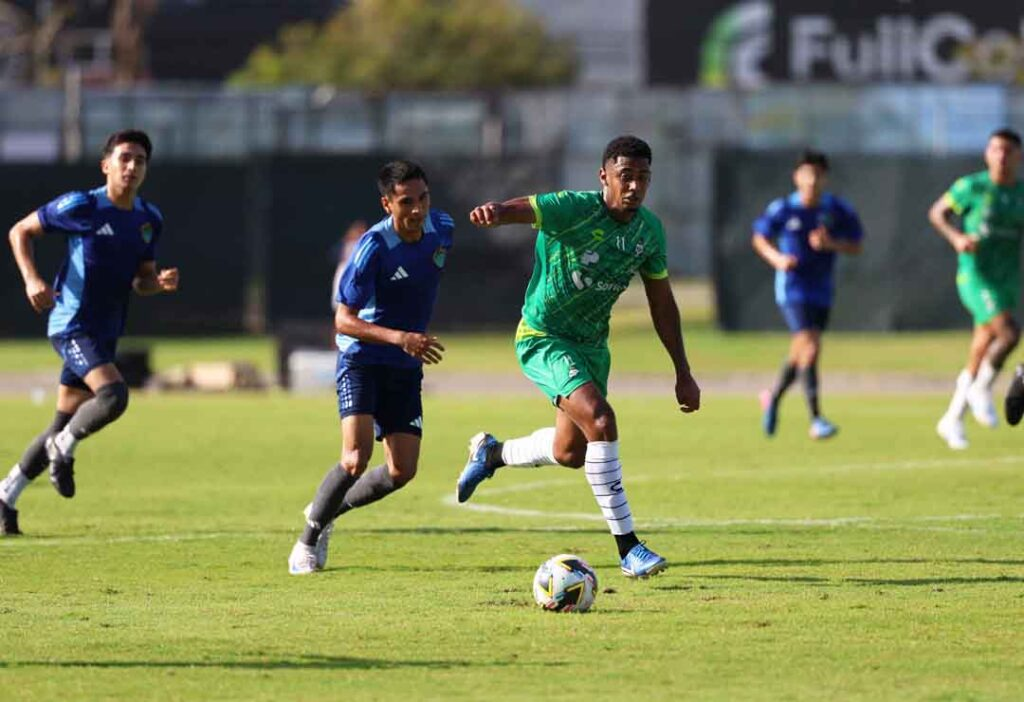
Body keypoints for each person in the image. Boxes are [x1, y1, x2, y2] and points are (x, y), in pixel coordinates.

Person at [455, 135, 700, 579]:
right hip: (544, 337)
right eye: (625, 176)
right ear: (604, 176)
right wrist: (497, 212)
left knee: (571, 451)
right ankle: (629, 548)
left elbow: (662, 303)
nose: (634, 186)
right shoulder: (574, 208)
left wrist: (682, 371)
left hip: (591, 347)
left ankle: (493, 454)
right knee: (602, 420)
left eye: (643, 177)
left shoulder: (648, 231)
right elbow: (527, 207)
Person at [0, 129, 179, 536]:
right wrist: (32, 280)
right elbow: (19, 232)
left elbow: (142, 280)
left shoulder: (149, 220)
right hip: (71, 325)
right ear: (106, 165)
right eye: (125, 158)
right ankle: (63, 448)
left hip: (105, 332)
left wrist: (159, 283)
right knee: (113, 396)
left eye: (140, 160)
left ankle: (5, 496)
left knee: (61, 420)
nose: (132, 166)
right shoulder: (83, 206)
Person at [288, 160, 453, 575]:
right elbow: (343, 320)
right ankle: (307, 541)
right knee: (354, 459)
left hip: (403, 366)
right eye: (406, 202)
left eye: (423, 199)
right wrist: (401, 337)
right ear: (387, 204)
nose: (417, 210)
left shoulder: (443, 229)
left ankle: (326, 509)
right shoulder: (373, 248)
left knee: (402, 471)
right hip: (362, 359)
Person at [751, 150, 863, 440]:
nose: (811, 180)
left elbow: (856, 244)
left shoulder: (836, 208)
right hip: (792, 288)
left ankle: (773, 397)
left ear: (824, 178)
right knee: (810, 348)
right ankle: (816, 419)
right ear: (797, 177)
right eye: (806, 174)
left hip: (822, 288)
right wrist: (777, 259)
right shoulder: (784, 208)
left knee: (802, 352)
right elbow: (760, 237)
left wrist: (831, 244)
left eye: (817, 175)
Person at [930, 128, 1024, 450]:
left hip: (1007, 279)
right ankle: (983, 388)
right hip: (976, 277)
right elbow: (937, 213)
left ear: (1018, 157)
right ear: (987, 153)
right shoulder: (971, 187)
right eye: (996, 149)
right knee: (1010, 335)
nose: (1001, 156)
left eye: (1008, 151)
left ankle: (952, 418)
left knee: (982, 346)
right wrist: (957, 238)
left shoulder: (1021, 194)